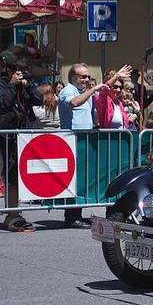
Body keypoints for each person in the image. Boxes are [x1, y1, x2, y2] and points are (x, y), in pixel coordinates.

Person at [0, 54, 43, 232]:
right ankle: (11, 215)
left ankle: (15, 212)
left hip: (24, 135)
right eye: (18, 72)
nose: (21, 76)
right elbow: (4, 103)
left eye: (23, 72)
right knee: (11, 175)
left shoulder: (23, 85)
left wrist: (29, 85)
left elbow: (39, 100)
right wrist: (12, 84)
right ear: (9, 71)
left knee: (18, 175)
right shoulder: (1, 85)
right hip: (8, 137)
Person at [57, 63, 105, 229]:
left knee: (82, 179)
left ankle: (77, 215)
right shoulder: (67, 91)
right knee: (74, 180)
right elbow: (74, 103)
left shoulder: (81, 92)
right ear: (73, 78)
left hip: (83, 141)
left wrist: (117, 75)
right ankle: (71, 217)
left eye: (87, 77)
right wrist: (92, 90)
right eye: (83, 77)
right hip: (72, 141)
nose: (86, 80)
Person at [95, 65, 133, 129]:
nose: (118, 90)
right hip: (109, 138)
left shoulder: (119, 103)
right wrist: (117, 76)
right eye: (115, 87)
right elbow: (103, 89)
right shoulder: (104, 100)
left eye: (120, 87)